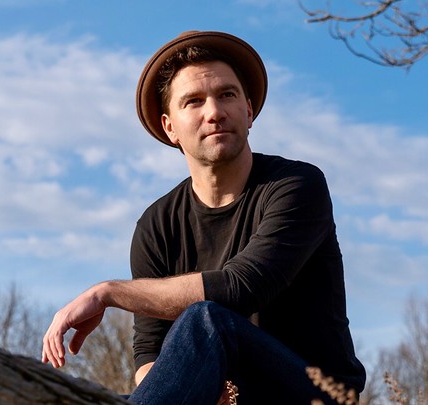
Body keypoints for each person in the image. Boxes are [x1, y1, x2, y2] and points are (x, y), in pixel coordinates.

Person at [42, 30, 366, 404]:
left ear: (248, 110)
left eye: (227, 94)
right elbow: (149, 353)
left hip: (315, 394)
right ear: (170, 127)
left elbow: (242, 288)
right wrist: (195, 384)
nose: (214, 112)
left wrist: (107, 293)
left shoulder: (296, 185)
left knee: (206, 319)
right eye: (194, 101)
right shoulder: (156, 225)